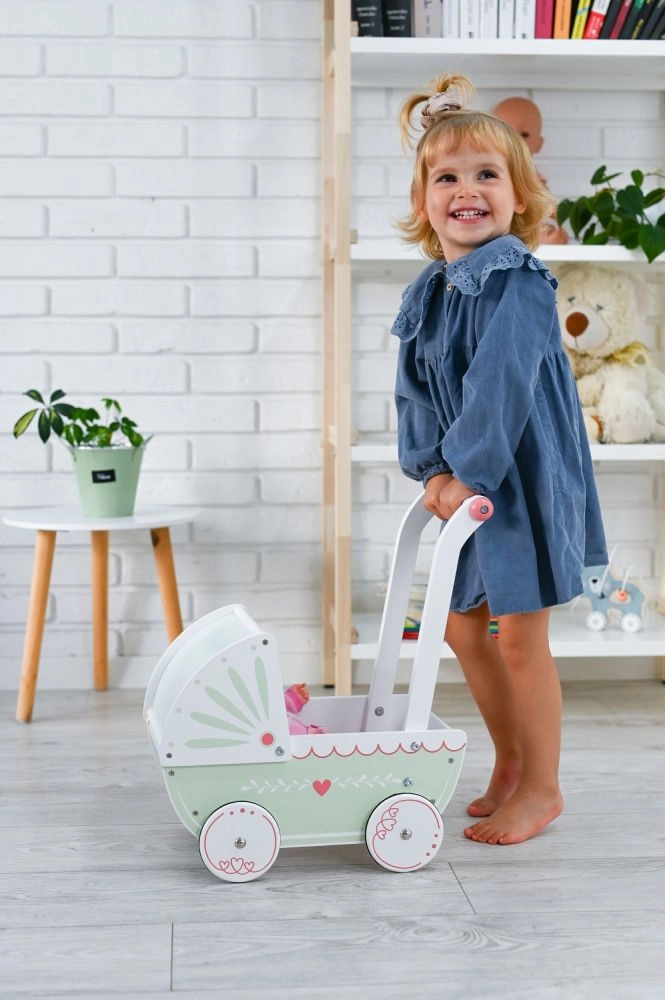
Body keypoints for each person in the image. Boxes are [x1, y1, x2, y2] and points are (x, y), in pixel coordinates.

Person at [393, 74, 607, 845]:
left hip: (519, 482)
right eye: (445, 178)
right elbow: (414, 389)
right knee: (460, 629)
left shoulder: (517, 279)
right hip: (467, 484)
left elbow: (499, 385)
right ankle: (511, 762)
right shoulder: (431, 291)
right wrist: (431, 469)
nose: (466, 190)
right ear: (423, 201)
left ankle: (543, 788)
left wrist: (466, 473)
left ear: (518, 196)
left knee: (518, 637)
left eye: (486, 174)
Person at [491, 95, 569, 245]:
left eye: (524, 135)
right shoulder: (489, 171)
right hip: (500, 226)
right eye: (508, 132)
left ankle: (546, 240)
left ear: (538, 144)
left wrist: (552, 214)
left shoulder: (532, 175)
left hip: (527, 226)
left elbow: (546, 203)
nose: (516, 140)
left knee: (543, 228)